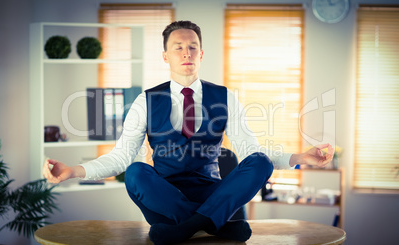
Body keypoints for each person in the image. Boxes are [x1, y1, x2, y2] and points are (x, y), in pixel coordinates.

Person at [43, 20, 334, 245]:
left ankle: (187, 228)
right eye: (178, 47)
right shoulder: (146, 101)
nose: (187, 52)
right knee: (134, 172)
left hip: (212, 192)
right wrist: (73, 171)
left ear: (202, 53)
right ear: (165, 56)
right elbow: (120, 158)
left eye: (193, 46)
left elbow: (250, 152)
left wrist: (301, 157)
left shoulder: (226, 97)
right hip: (165, 197)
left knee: (260, 162)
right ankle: (213, 225)